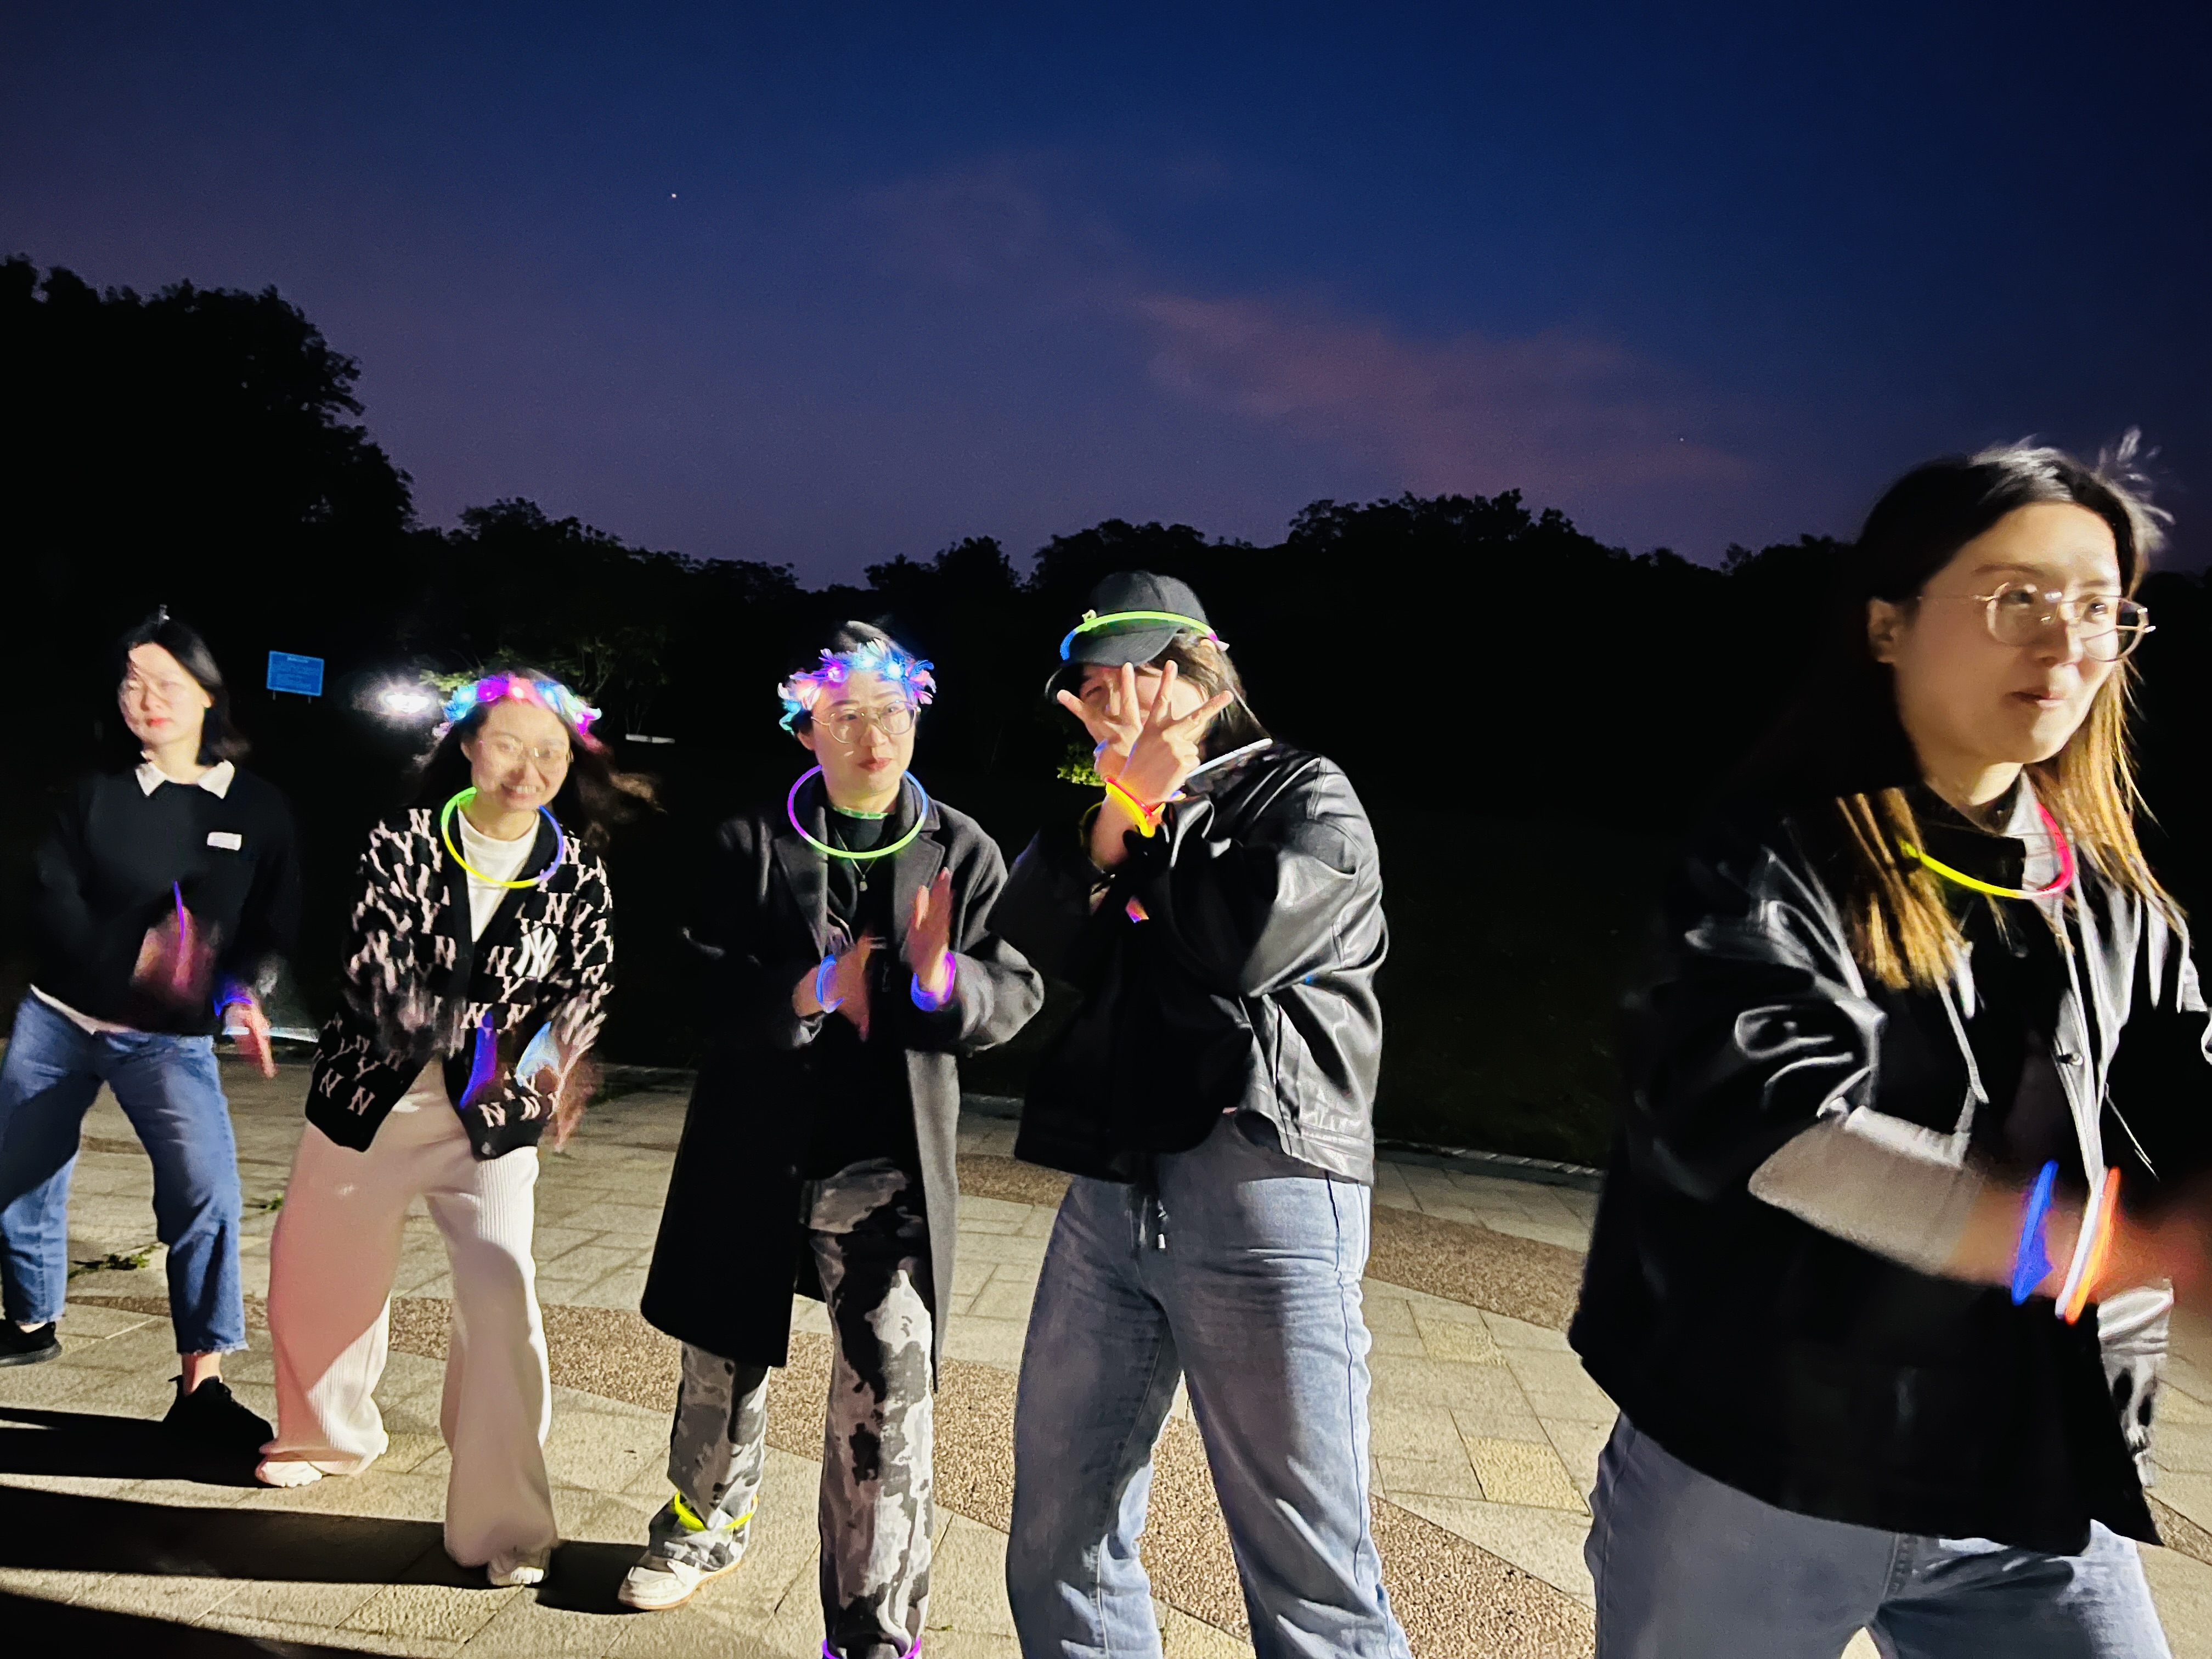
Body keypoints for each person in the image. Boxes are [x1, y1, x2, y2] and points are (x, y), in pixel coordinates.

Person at [1569, 439, 2212, 1657]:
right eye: (2016, 596)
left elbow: (2187, 1108)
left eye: (2098, 607)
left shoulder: (2120, 907)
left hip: (2032, 1479)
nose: (2066, 643)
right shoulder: (1769, 859)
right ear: (1886, 624)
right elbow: (1781, 1130)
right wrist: (2080, 1248)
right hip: (1763, 1475)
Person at [993, 572, 1409, 1659]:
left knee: (1311, 1577)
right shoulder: (1125, 816)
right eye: (1090, 690)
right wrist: (1118, 818)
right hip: (1116, 1195)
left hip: (1267, 1182)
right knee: (1057, 1535)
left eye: (1128, 680)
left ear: (1197, 675)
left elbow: (1245, 944)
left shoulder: (1306, 794)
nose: (1106, 707)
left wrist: (1159, 809)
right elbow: (1039, 931)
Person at [628, 624, 1042, 1659]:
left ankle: (873, 1624)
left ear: (917, 719)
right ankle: (702, 1525)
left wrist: (945, 981)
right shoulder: (748, 839)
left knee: (891, 1385)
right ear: (805, 726)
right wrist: (811, 989)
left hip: (887, 1166)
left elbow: (1016, 986)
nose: (872, 736)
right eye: (846, 715)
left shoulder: (961, 848)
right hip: (752, 1149)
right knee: (721, 1357)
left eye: (891, 714)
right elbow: (691, 981)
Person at [256, 670, 643, 1589]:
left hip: (493, 1118)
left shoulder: (577, 870)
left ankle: (504, 1520)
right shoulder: (402, 841)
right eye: (508, 744)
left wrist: (554, 1060)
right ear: (468, 745)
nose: (528, 768)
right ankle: (327, 1435)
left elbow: (586, 986)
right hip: (372, 1097)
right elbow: (378, 967)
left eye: (549, 752)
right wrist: (496, 1034)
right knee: (320, 1276)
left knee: (501, 1301)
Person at [0, 607, 295, 1453]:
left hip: (168, 1040)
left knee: (207, 1195)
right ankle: (30, 1320)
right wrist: (132, 957)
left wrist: (242, 993)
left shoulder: (259, 808)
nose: (146, 698)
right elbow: (51, 897)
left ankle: (202, 1386)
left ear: (208, 694)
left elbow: (269, 924)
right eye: (132, 682)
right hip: (59, 1018)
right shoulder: (93, 791)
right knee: (20, 1174)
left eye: (166, 682)